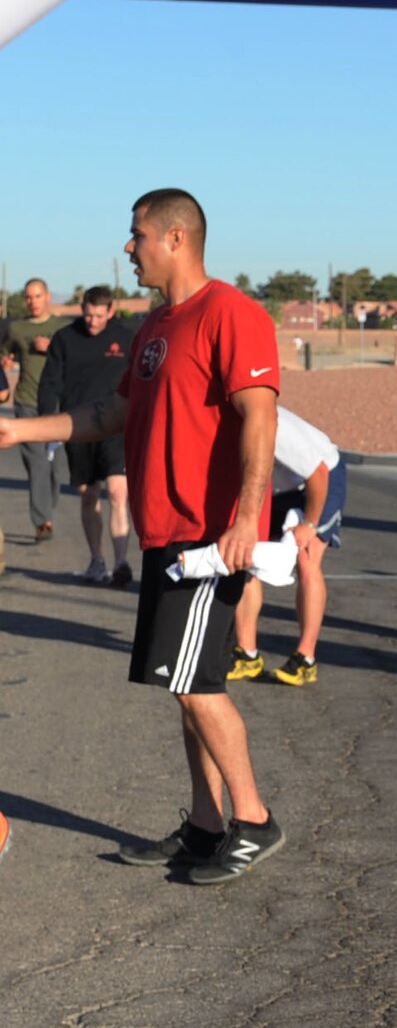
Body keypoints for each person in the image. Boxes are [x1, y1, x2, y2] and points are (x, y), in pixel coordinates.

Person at [0, 190, 286, 884]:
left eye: (137, 237)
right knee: (186, 681)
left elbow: (259, 418)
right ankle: (204, 824)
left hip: (210, 538)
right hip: (166, 535)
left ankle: (252, 819)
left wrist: (247, 519)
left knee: (196, 686)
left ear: (176, 236)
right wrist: (18, 429)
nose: (128, 249)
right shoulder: (157, 324)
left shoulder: (232, 314)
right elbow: (111, 411)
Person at [227, 405, 344, 686]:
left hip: (318, 479)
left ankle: (306, 659)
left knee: (306, 558)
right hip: (272, 489)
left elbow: (318, 473)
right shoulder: (218, 426)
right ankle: (247, 655)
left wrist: (310, 525)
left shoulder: (269, 422)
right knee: (246, 558)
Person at [38, 285, 137, 585]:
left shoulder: (127, 337)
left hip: (117, 427)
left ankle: (121, 563)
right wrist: (47, 423)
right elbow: (50, 383)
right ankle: (97, 560)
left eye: (98, 316)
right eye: (88, 314)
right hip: (78, 427)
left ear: (110, 312)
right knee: (88, 496)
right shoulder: (65, 339)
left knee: (119, 493)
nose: (92, 322)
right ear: (82, 309)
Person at [2, 278, 70, 542]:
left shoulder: (62, 328)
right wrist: (6, 360)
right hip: (27, 403)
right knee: (38, 463)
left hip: (56, 405)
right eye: (28, 297)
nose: (33, 302)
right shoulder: (17, 328)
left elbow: (74, 357)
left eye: (38, 296)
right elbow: (5, 353)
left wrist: (50, 347)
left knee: (56, 468)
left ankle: (46, 510)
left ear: (48, 296)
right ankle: (43, 521)